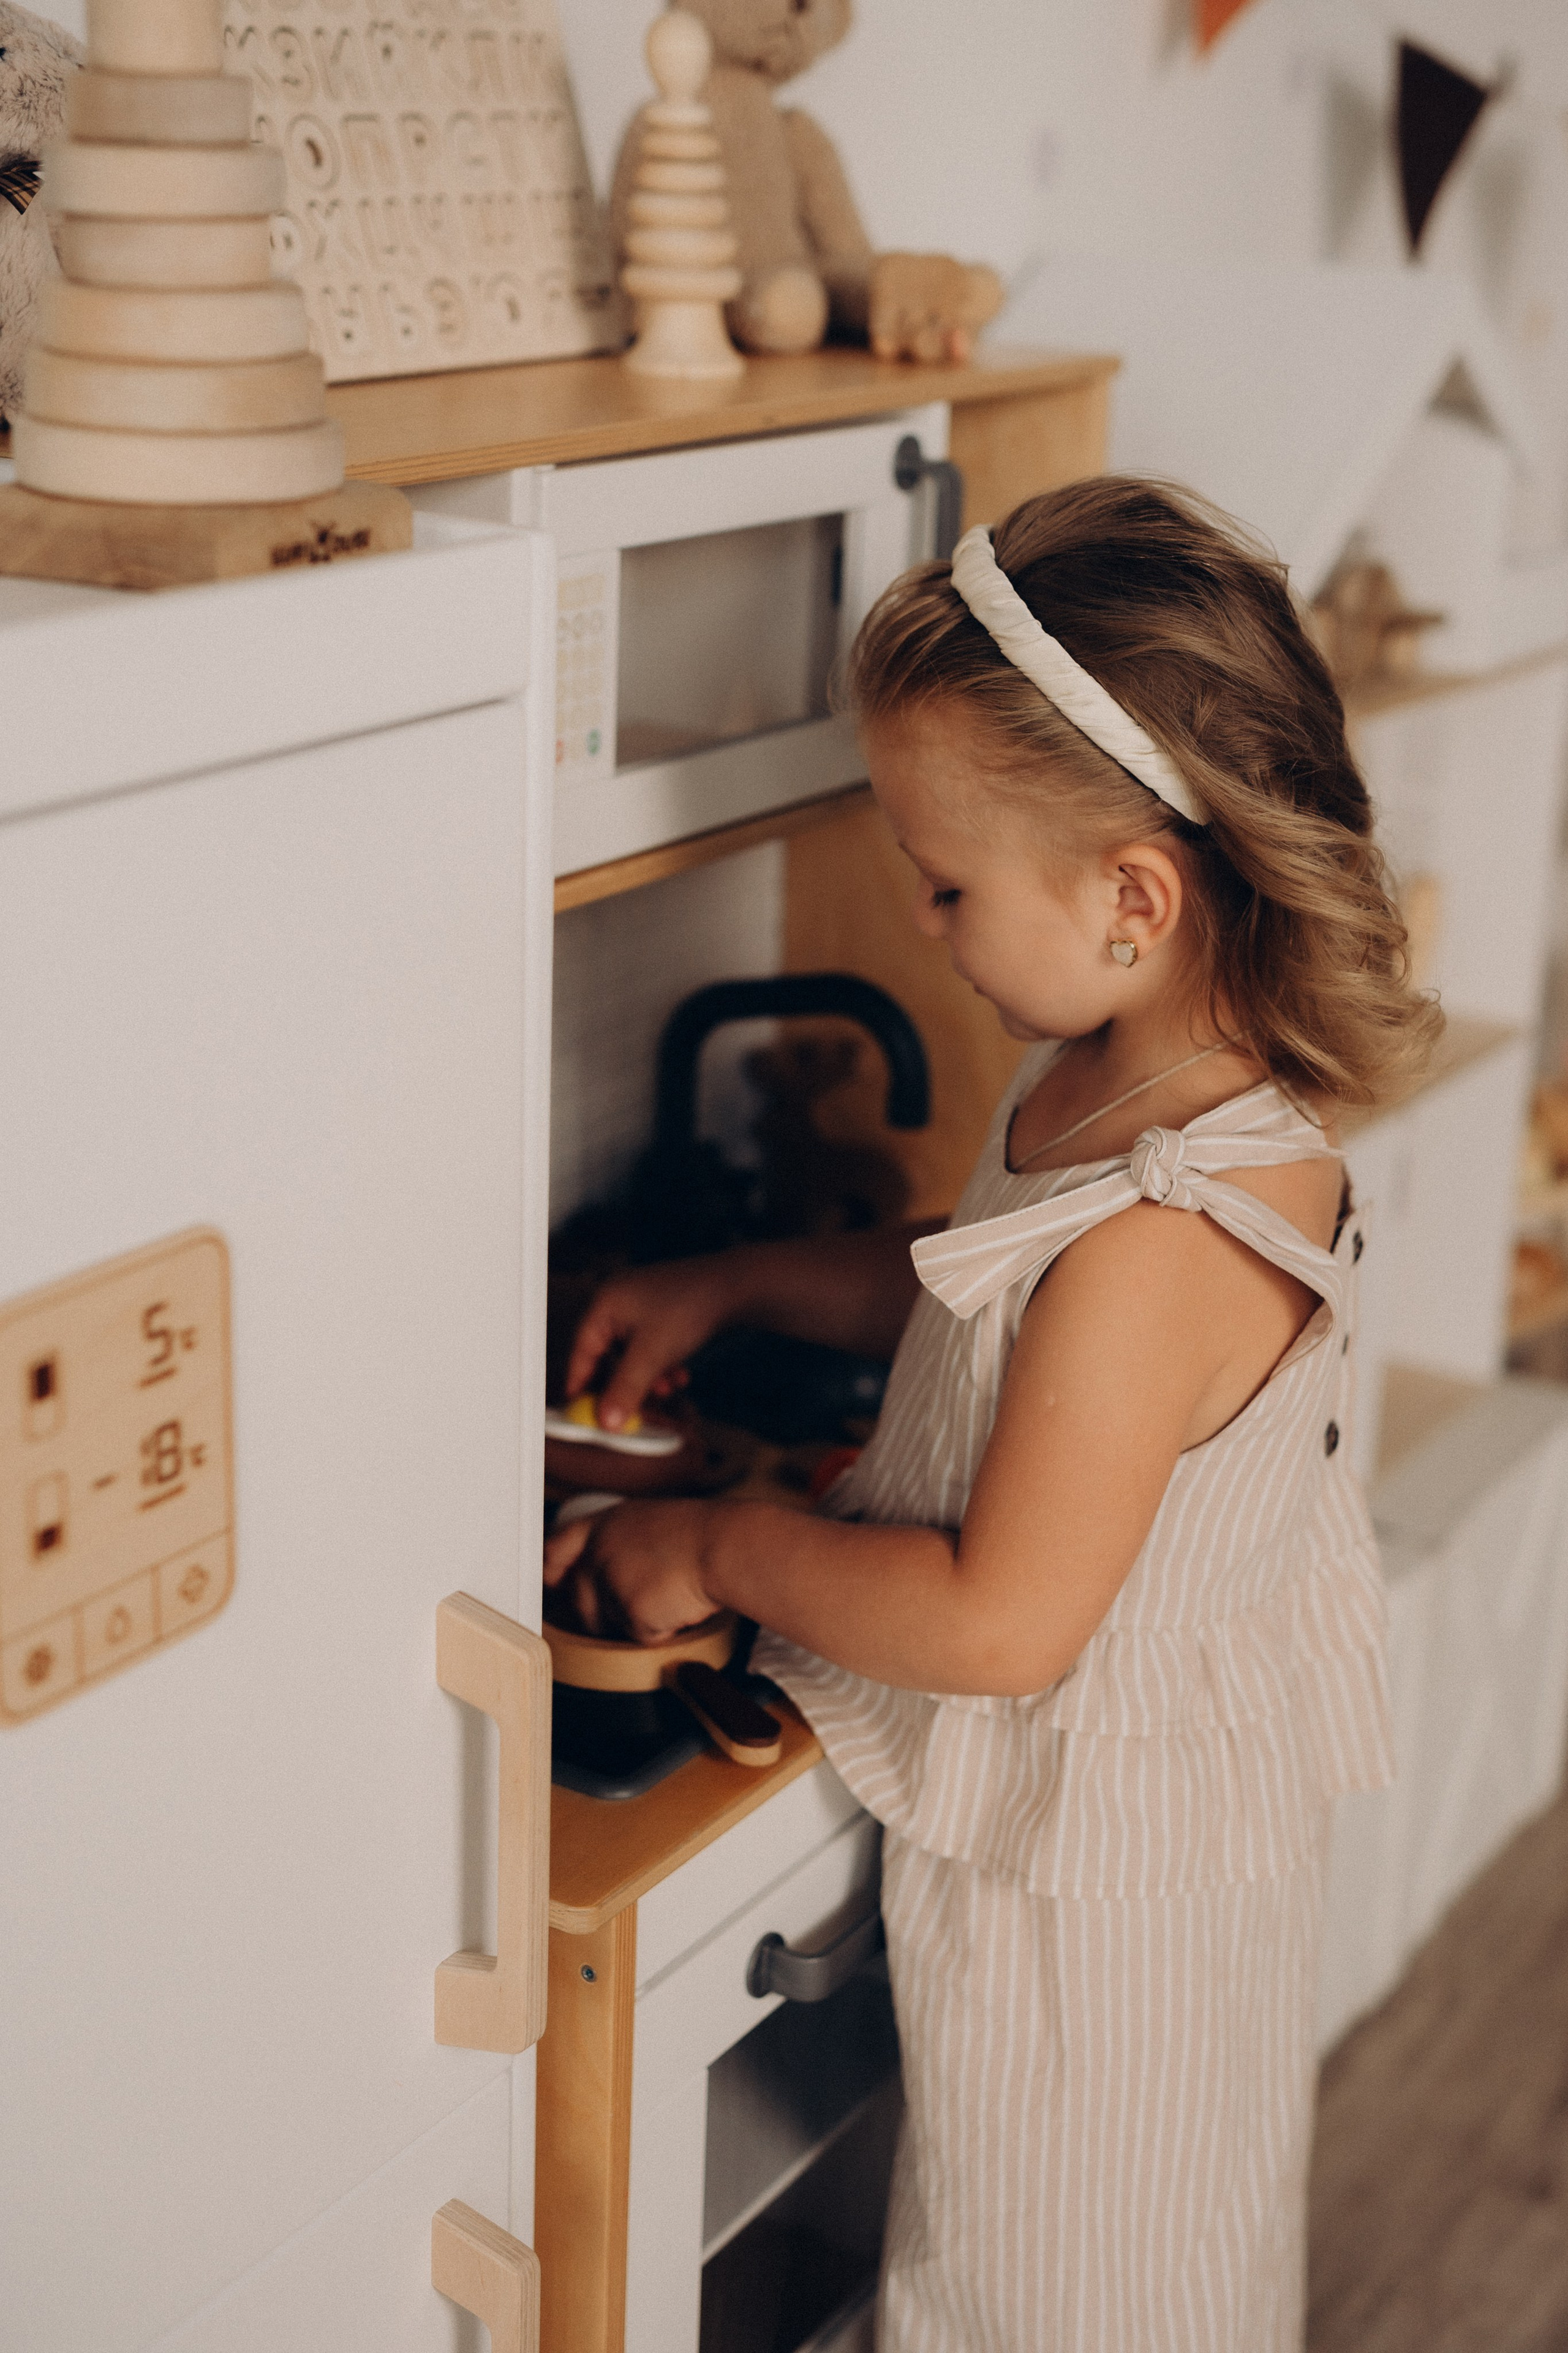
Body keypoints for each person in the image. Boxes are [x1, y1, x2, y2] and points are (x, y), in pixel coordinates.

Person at [544, 478, 1441, 2352]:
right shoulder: (1135, 1076)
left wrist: (713, 1538)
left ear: (1133, 898)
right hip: (1129, 1837)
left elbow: (995, 1622)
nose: (925, 919)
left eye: (947, 883)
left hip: (1103, 1914)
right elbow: (975, 1274)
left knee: (1063, 2291)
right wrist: (742, 1280)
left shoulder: (1164, 1239)